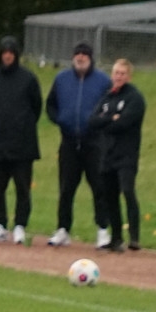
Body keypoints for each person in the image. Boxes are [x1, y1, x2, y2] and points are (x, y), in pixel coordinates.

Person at [45, 42, 112, 248]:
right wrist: (60, 120)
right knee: (66, 187)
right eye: (77, 54)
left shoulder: (103, 81)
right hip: (69, 142)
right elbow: (51, 104)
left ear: (90, 58)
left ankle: (103, 229)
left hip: (94, 142)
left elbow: (110, 108)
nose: (80, 57)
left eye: (84, 54)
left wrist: (98, 123)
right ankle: (63, 229)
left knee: (99, 186)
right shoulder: (62, 79)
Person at [0, 35, 42, 245]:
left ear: (16, 55)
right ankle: (0, 225)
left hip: (23, 145)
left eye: (11, 53)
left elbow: (37, 107)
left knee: (22, 188)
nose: (7, 56)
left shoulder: (29, 79)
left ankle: (20, 226)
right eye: (4, 53)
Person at [89, 58, 146, 253]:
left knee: (127, 191)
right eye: (116, 73)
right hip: (107, 154)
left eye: (122, 73)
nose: (118, 77)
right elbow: (92, 121)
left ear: (129, 76)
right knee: (109, 196)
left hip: (127, 155)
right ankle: (116, 238)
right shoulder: (107, 97)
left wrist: (107, 121)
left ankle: (134, 237)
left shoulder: (135, 98)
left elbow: (123, 123)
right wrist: (110, 118)